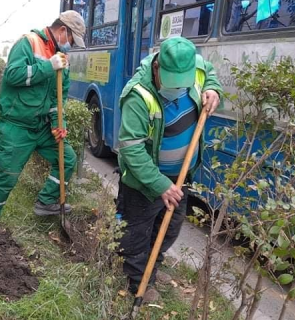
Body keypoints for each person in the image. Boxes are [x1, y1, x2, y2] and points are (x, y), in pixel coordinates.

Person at [117, 37, 223, 301]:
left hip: (180, 175)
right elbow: (131, 148)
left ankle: (151, 268)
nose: (177, 88)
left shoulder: (195, 66)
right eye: (171, 82)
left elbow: (209, 72)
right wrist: (160, 185)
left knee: (170, 227)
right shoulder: (138, 95)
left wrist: (213, 89)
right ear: (157, 68)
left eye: (182, 84)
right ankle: (136, 281)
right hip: (145, 180)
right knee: (137, 233)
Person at [0, 10, 86, 222]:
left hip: (42, 127)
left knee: (67, 159)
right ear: (63, 30)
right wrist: (48, 66)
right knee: (7, 176)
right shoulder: (28, 43)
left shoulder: (62, 61)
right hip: (17, 126)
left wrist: (59, 124)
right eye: (72, 40)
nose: (71, 46)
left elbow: (59, 98)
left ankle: (46, 202)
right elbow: (12, 75)